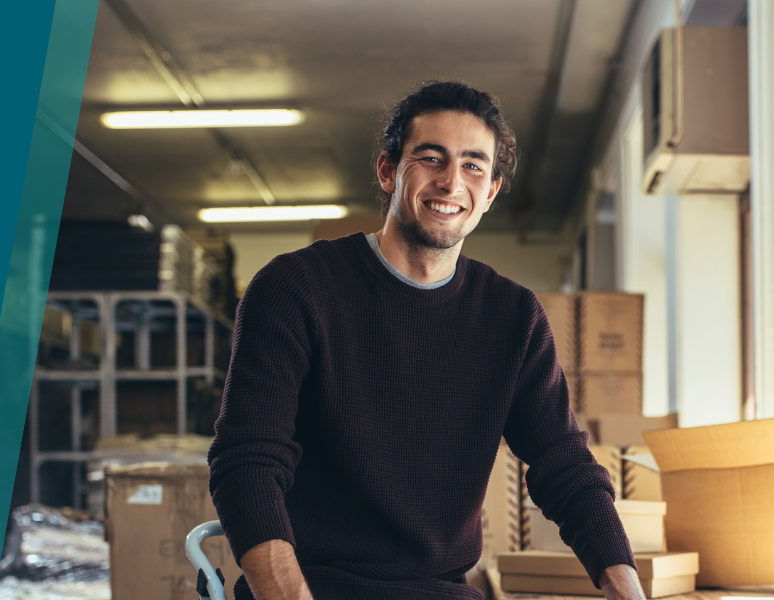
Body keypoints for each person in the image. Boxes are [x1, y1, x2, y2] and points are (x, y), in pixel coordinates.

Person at [208, 81, 644, 600]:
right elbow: (247, 461)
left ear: (492, 191)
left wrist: (627, 588)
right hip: (313, 587)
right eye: (431, 158)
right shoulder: (295, 289)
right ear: (388, 170)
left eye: (473, 165)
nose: (452, 181)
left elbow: (565, 467)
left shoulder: (513, 317)